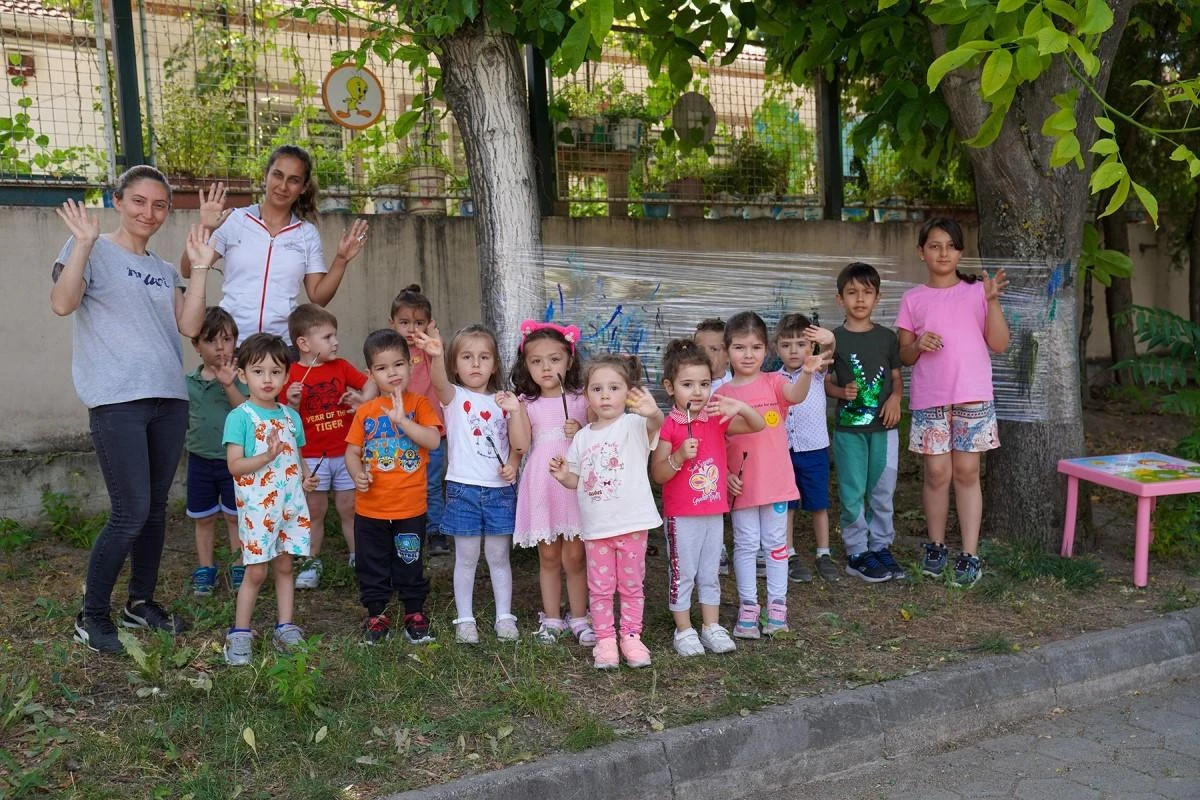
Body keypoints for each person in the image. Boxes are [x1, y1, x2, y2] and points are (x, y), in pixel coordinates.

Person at [52, 166, 211, 654]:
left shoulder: (165, 271)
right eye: (139, 201)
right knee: (131, 510)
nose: (150, 212)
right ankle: (91, 615)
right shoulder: (92, 249)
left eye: (160, 205)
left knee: (155, 511)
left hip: (168, 400)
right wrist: (81, 245)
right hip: (117, 399)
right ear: (118, 201)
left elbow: (189, 326)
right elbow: (62, 303)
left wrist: (200, 268)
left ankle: (139, 603)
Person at [896, 218, 1010, 587]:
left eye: (950, 246)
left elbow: (999, 343)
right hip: (931, 399)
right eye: (934, 245)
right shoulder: (913, 298)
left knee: (966, 473)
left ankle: (970, 554)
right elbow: (905, 355)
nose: (942, 253)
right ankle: (936, 546)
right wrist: (917, 345)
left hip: (973, 395)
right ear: (921, 252)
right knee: (936, 474)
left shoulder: (978, 291)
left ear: (960, 251)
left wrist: (992, 303)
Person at [715, 311, 831, 640]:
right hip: (742, 487)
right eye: (739, 347)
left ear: (765, 351)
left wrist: (807, 373)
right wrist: (724, 474)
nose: (747, 355)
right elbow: (715, 442)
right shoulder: (721, 396)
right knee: (747, 545)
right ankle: (749, 607)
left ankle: (777, 607)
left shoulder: (775, 382)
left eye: (754, 348)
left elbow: (796, 396)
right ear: (727, 351)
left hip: (777, 485)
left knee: (776, 545)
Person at [180, 145, 370, 344]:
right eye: (277, 175)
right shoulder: (235, 220)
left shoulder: (306, 234)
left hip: (281, 347)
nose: (283, 186)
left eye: (294, 180)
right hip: (231, 343)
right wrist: (207, 227)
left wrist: (341, 260)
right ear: (266, 175)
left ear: (303, 187)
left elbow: (318, 297)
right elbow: (187, 270)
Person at [650, 339, 764, 657]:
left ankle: (711, 626)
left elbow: (757, 425)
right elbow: (658, 474)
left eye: (704, 384)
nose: (698, 392)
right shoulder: (669, 426)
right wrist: (677, 457)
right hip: (681, 515)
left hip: (714, 511)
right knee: (683, 572)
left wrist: (738, 406)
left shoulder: (715, 416)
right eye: (688, 385)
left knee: (710, 571)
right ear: (670, 387)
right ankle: (684, 629)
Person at [550, 354, 664, 669]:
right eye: (597, 389)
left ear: (627, 392)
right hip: (597, 528)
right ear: (587, 395)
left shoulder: (633, 424)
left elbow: (656, 424)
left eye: (614, 388)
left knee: (631, 586)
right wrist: (564, 477)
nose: (605, 395)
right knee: (599, 589)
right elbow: (577, 479)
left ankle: (631, 636)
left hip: (631, 525)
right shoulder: (583, 436)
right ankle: (605, 640)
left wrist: (653, 412)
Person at [412, 324, 521, 644]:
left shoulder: (505, 401)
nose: (476, 364)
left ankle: (504, 616)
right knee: (466, 557)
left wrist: (513, 465)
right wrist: (434, 355)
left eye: (484, 357)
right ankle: (465, 619)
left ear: (495, 364)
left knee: (499, 556)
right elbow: (438, 383)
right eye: (467, 357)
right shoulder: (454, 397)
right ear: (455, 364)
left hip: (500, 491)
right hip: (463, 490)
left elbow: (517, 443)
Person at [221, 333, 319, 666]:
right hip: (258, 509)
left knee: (285, 564)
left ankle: (286, 627)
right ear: (242, 374)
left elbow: (298, 455)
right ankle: (239, 633)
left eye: (275, 372)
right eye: (259, 371)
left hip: (290, 506)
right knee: (257, 571)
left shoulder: (291, 417)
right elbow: (235, 466)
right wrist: (266, 456)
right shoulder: (240, 417)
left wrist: (306, 477)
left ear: (286, 376)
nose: (267, 379)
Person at [344, 329, 443, 644]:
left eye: (398, 365)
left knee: (409, 559)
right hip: (371, 508)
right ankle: (376, 614)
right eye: (383, 368)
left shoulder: (420, 405)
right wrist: (357, 472)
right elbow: (352, 451)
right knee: (371, 562)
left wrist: (403, 421)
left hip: (410, 508)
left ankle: (414, 611)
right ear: (370, 374)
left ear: (411, 366)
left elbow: (433, 440)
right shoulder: (366, 412)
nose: (392, 373)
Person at [507, 321, 595, 645]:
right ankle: (553, 618)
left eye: (554, 359)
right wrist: (515, 411)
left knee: (575, 556)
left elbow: (601, 436)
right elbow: (520, 444)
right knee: (548, 556)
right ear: (526, 365)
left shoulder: (582, 399)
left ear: (569, 361)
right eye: (536, 361)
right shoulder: (527, 403)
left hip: (573, 482)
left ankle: (580, 616)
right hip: (542, 483)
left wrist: (582, 429)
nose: (546, 367)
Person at [283, 303, 374, 589]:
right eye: (327, 337)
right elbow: (286, 422)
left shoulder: (342, 367)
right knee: (314, 510)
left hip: (347, 452)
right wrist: (293, 404)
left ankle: (359, 556)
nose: (335, 342)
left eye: (335, 336)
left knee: (350, 507)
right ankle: (310, 562)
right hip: (312, 457)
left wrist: (362, 402)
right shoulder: (291, 376)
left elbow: (371, 382)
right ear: (304, 343)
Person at [826, 264, 906, 584]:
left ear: (877, 297)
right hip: (849, 432)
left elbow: (897, 380)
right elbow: (824, 384)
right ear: (839, 299)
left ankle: (881, 546)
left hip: (884, 431)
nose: (860, 299)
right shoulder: (834, 340)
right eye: (852, 292)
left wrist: (895, 399)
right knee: (853, 490)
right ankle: (857, 551)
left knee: (882, 489)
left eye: (867, 292)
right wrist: (839, 391)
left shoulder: (887, 338)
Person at [186, 306, 247, 596]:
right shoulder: (189, 383)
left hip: (234, 462)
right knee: (204, 517)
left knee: (235, 516)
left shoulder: (242, 379)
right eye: (211, 340)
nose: (220, 347)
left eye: (227, 339)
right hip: (199, 460)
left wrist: (228, 385)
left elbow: (244, 412)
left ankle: (239, 566)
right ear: (196, 345)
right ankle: (205, 568)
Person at [775, 313, 840, 584]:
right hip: (783, 451)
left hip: (814, 449)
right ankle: (788, 553)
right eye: (786, 344)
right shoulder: (773, 378)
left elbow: (828, 352)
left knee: (818, 503)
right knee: (786, 504)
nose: (794, 350)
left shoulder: (815, 371)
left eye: (801, 344)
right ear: (776, 347)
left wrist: (830, 341)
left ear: (811, 347)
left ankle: (823, 553)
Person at [389, 285, 450, 557]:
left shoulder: (429, 352)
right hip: (399, 431)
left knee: (433, 483)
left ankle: (436, 531)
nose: (411, 330)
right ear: (392, 324)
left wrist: (433, 338)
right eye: (404, 323)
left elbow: (441, 366)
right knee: (401, 481)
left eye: (419, 323)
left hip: (432, 428)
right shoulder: (389, 354)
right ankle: (403, 528)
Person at [694, 317, 732, 574]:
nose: (707, 356)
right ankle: (714, 547)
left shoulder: (734, 386)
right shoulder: (694, 388)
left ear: (729, 354)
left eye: (715, 349)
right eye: (701, 349)